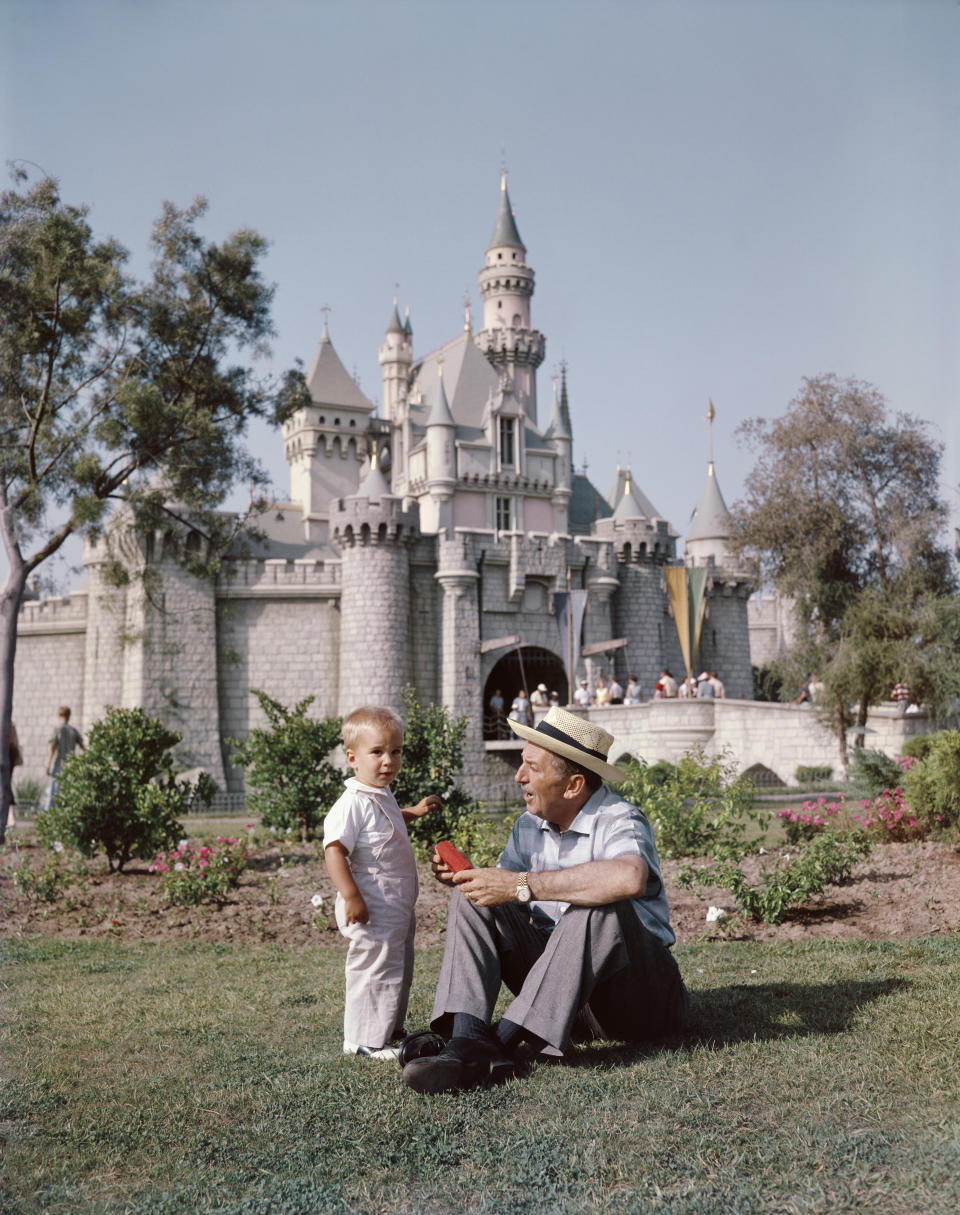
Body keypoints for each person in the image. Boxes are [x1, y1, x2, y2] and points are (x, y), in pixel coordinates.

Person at [400, 706, 688, 1094]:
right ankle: (466, 1037)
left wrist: (522, 884)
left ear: (572, 785)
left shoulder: (620, 819)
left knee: (600, 904)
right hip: (567, 1003)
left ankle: (497, 1043)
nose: (520, 776)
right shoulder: (528, 826)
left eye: (532, 767)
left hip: (637, 1002)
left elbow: (629, 877)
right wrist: (477, 881)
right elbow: (504, 894)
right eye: (523, 764)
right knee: (472, 900)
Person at [323, 706, 440, 1061]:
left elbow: (387, 818)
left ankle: (387, 1027)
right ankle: (362, 1040)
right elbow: (334, 851)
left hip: (395, 902)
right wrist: (351, 896)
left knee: (396, 966)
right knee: (373, 966)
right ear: (352, 758)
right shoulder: (351, 803)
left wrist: (413, 812)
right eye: (377, 752)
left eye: (395, 751)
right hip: (372, 901)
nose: (388, 761)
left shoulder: (380, 793)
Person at [44, 706, 84, 810]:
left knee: (54, 791)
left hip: (59, 764)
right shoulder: (73, 730)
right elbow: (82, 746)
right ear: (69, 716)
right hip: (71, 765)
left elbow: (53, 747)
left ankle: (50, 815)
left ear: (59, 715)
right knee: (68, 792)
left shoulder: (57, 729)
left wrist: (48, 764)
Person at [6, 722, 23, 829]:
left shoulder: (10, 724)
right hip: (10, 754)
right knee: (6, 784)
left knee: (5, 785)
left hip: (7, 754)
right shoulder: (11, 724)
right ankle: (10, 816)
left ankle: (10, 816)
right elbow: (16, 743)